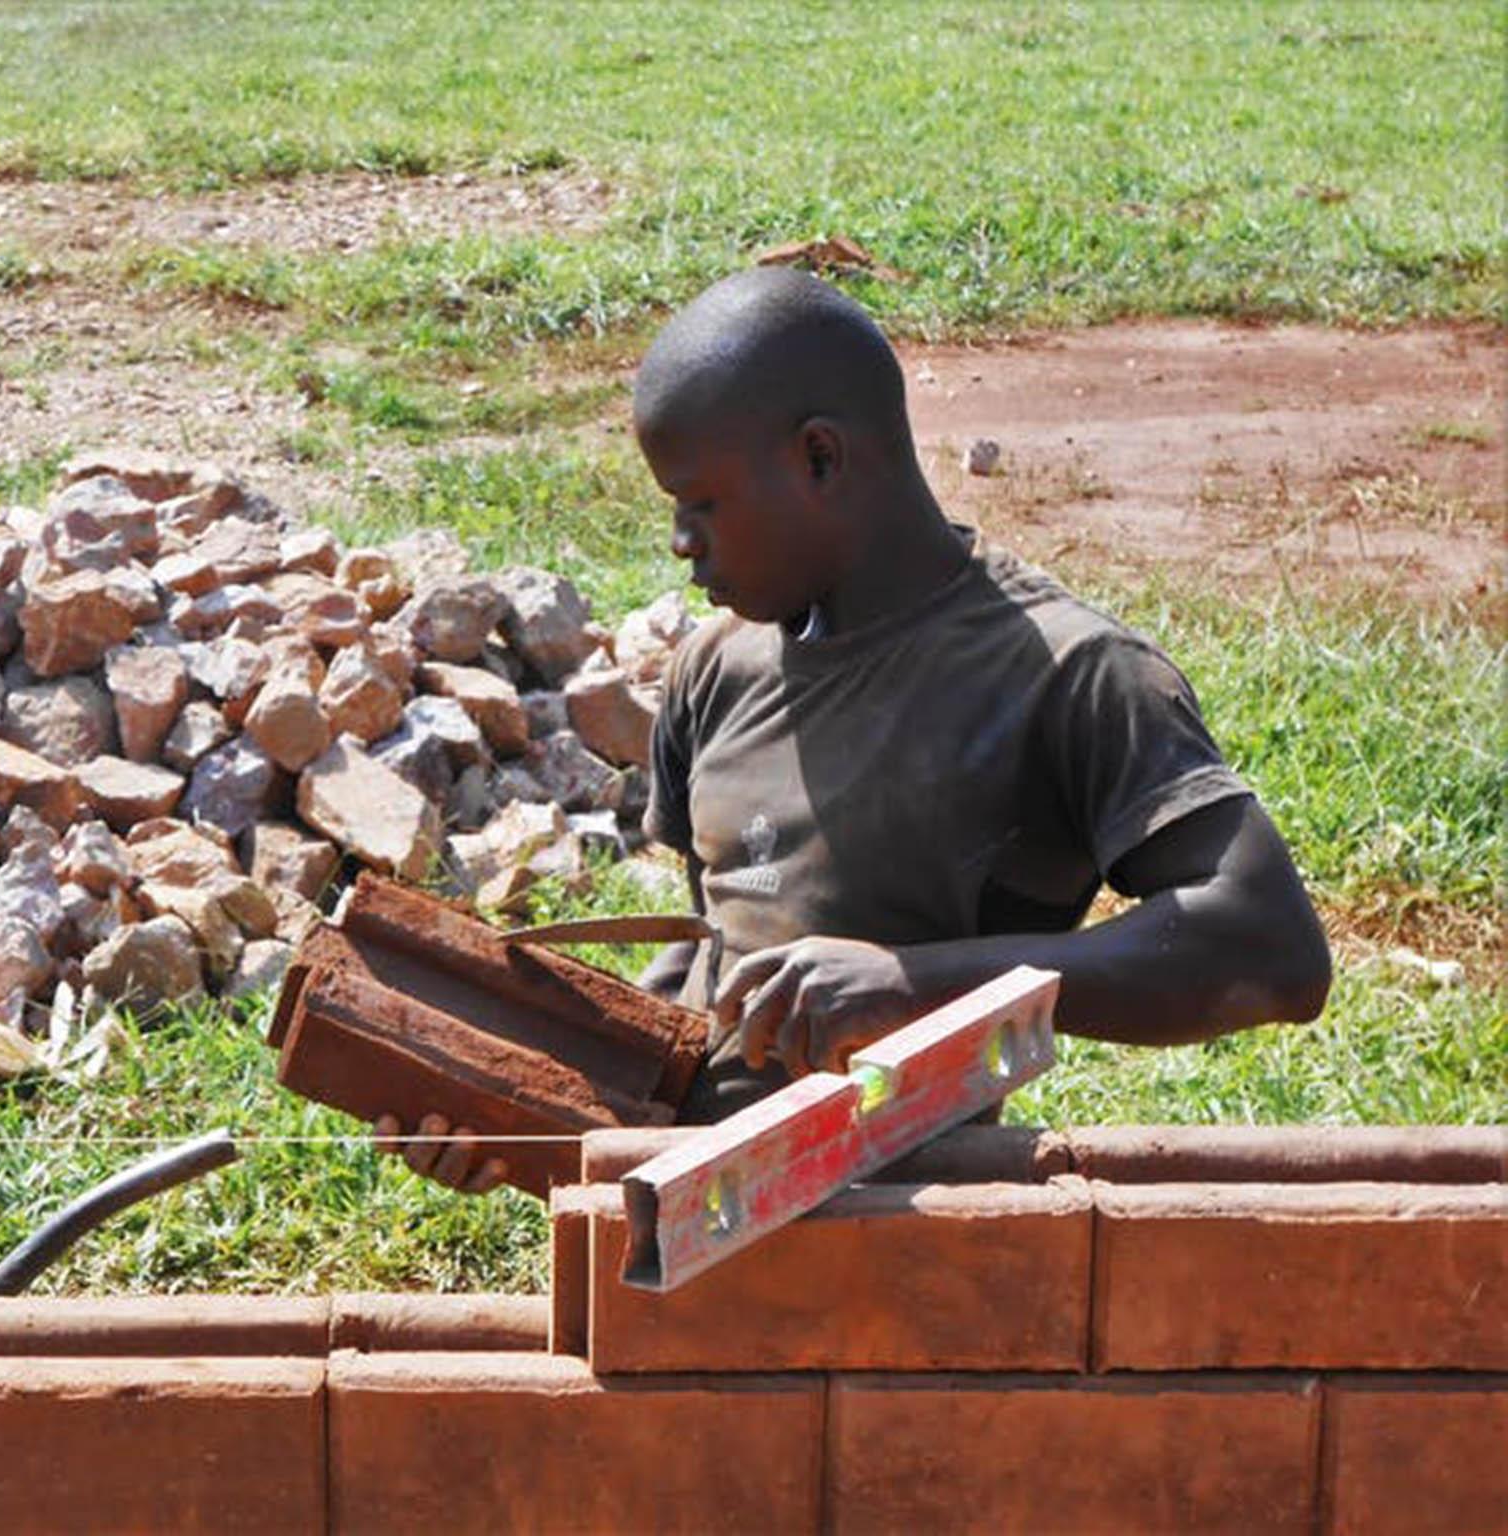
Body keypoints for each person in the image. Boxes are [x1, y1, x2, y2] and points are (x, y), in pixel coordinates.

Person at [379, 266, 1331, 1193]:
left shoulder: (1064, 674)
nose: (679, 542)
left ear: (821, 459)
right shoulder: (719, 666)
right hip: (685, 1254)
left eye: (700, 503)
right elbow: (715, 946)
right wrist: (533, 1116)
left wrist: (917, 985)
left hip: (894, 1272)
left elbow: (1271, 949)